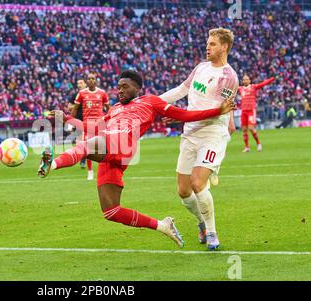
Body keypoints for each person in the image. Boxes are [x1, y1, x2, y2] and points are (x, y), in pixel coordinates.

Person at [37, 70, 236, 248]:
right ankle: (163, 226)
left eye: (125, 87)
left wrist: (217, 111)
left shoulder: (150, 101)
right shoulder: (114, 108)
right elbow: (94, 128)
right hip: (109, 149)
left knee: (86, 145)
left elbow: (183, 114)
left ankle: (51, 164)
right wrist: (67, 118)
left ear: (137, 88)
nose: (120, 91)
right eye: (118, 88)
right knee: (111, 211)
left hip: (123, 144)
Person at [159, 28, 239, 250]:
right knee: (184, 191)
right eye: (207, 42)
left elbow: (217, 111)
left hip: (212, 134)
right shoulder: (201, 67)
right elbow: (181, 90)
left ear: (224, 47)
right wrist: (154, 102)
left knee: (197, 182)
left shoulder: (229, 77)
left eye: (212, 44)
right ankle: (201, 223)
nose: (207, 47)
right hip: (190, 132)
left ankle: (213, 234)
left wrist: (178, 117)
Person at [71, 72, 111, 180]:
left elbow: (109, 109)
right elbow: (75, 109)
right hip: (87, 124)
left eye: (93, 78)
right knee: (88, 147)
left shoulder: (102, 93)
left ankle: (104, 169)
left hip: (100, 123)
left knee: (103, 148)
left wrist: (110, 120)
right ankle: (90, 171)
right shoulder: (82, 93)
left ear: (96, 80)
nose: (91, 80)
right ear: (86, 81)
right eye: (89, 79)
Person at [238, 74, 275, 152]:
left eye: (247, 79)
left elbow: (263, 84)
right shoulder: (240, 88)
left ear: (249, 81)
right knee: (244, 130)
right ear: (242, 81)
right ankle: (247, 147)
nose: (245, 80)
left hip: (251, 111)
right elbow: (230, 87)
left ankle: (258, 144)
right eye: (244, 79)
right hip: (243, 111)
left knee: (251, 128)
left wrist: (272, 78)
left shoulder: (253, 87)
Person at [67, 78, 87, 168]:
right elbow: (69, 107)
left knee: (83, 141)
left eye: (81, 83)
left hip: (87, 121)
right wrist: (77, 104)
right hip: (76, 121)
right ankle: (80, 157)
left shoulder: (89, 95)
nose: (79, 85)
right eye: (78, 83)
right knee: (76, 141)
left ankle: (83, 160)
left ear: (85, 84)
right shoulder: (75, 95)